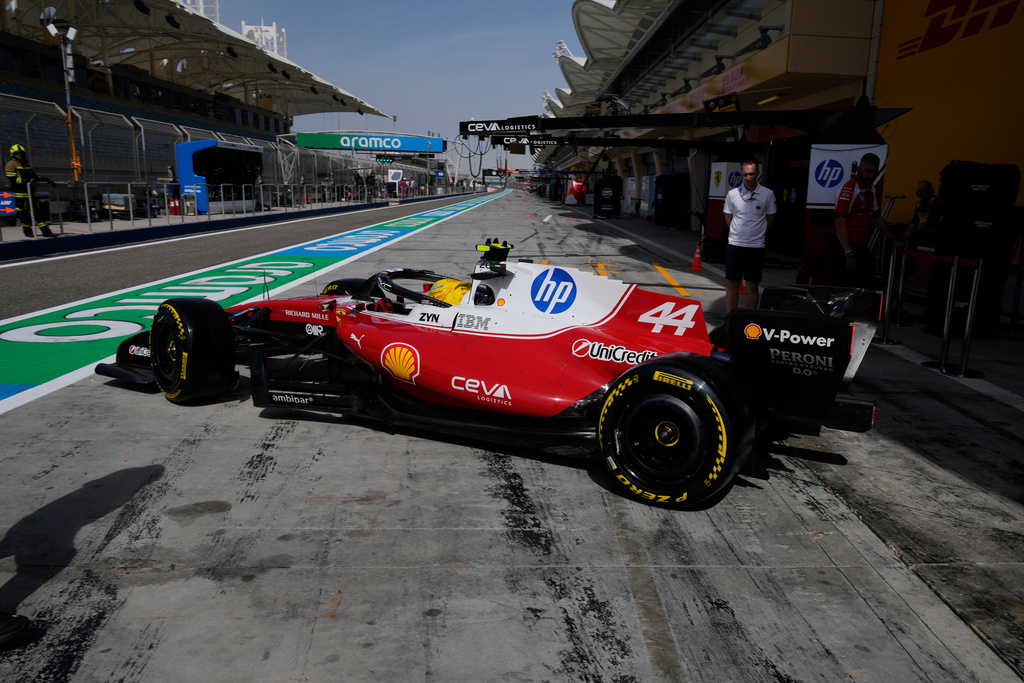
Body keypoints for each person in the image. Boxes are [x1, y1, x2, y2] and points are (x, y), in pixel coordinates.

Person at [832, 152, 900, 288]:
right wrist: (848, 253)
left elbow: (876, 216)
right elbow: (839, 222)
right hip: (846, 244)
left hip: (861, 244)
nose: (872, 176)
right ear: (859, 170)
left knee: (866, 283)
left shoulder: (871, 189)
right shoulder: (850, 188)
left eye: (875, 172)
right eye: (868, 171)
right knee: (846, 286)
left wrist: (891, 238)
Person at [723, 158, 777, 312]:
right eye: (745, 174)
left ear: (758, 174)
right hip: (735, 245)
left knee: (752, 285)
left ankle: (749, 318)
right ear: (741, 174)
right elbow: (728, 217)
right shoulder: (732, 194)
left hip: (756, 247)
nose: (748, 178)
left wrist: (758, 232)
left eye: (751, 174)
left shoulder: (768, 194)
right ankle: (730, 317)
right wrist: (738, 233)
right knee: (733, 284)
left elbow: (771, 217)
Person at [5, 144, 55, 238]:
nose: (20, 155)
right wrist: (26, 180)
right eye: (17, 154)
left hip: (31, 193)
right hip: (20, 195)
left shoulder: (26, 163)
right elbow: (14, 179)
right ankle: (28, 232)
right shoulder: (10, 165)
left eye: (21, 154)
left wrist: (45, 179)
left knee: (39, 213)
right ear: (13, 154)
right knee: (24, 215)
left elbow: (34, 176)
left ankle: (46, 232)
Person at [905, 180, 937, 245]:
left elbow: (930, 222)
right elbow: (914, 221)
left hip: (932, 235)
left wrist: (912, 233)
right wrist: (907, 233)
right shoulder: (918, 204)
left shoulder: (935, 202)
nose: (920, 193)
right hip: (920, 233)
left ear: (929, 190)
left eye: (922, 190)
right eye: (918, 191)